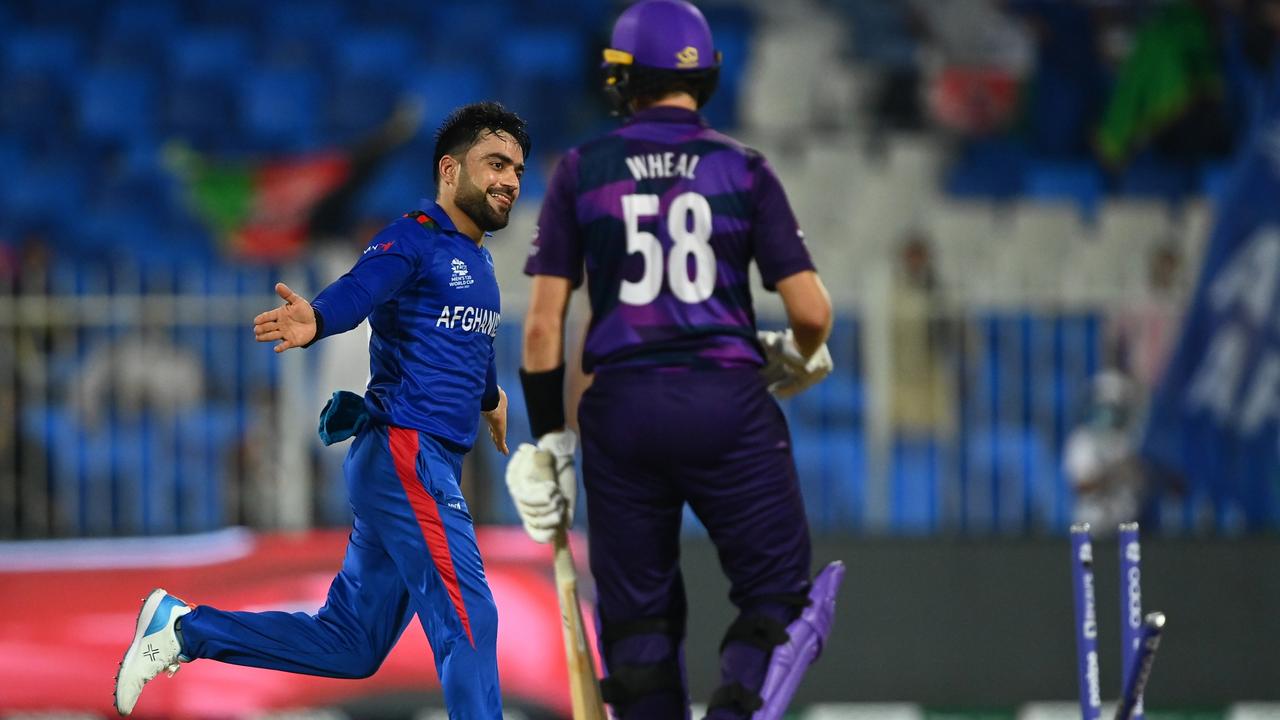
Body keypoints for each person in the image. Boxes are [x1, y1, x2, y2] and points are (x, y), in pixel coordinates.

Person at [113, 102, 530, 718]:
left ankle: (184, 628)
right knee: (469, 615)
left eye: (517, 169)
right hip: (406, 452)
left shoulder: (481, 259)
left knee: (353, 644)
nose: (510, 180)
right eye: (495, 163)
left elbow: (468, 340)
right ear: (449, 169)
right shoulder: (413, 236)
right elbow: (361, 290)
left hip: (413, 460)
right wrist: (320, 318)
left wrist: (490, 396)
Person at [503, 2, 845, 718]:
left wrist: (550, 443)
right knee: (779, 597)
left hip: (620, 415)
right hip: (726, 403)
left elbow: (542, 331)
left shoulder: (581, 170)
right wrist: (799, 355)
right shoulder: (742, 170)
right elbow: (813, 312)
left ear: (622, 78)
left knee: (637, 627)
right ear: (708, 75)